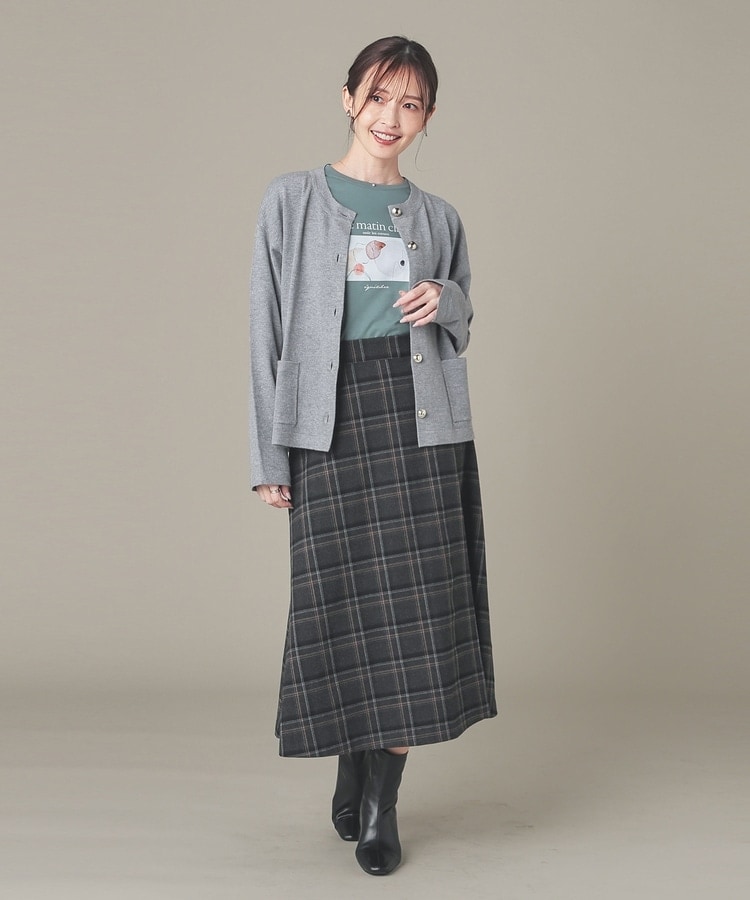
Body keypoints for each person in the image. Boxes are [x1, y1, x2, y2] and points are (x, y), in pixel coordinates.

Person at [249, 36, 496, 876]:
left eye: (411, 104)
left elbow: (462, 321)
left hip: (420, 422)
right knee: (341, 602)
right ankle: (352, 758)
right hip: (328, 417)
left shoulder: (438, 217)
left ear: (429, 117)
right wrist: (270, 456)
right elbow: (264, 332)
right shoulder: (291, 200)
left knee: (415, 613)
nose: (392, 117)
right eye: (380, 97)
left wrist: (445, 298)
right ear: (349, 97)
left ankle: (383, 805)